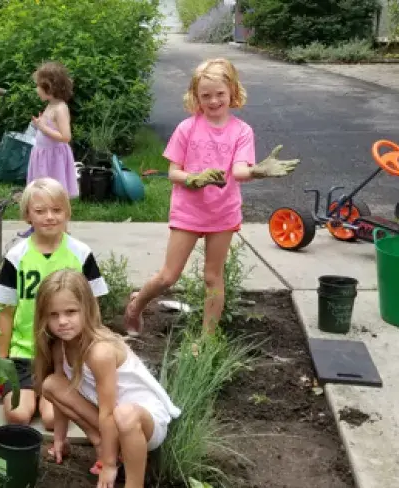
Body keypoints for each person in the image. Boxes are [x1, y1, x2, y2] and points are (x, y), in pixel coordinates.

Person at [123, 58, 298, 337]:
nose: (214, 101)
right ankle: (136, 305)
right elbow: (173, 173)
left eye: (220, 94)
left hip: (222, 213)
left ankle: (207, 341)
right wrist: (193, 178)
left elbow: (239, 172)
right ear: (196, 97)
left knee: (212, 277)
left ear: (232, 91)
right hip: (189, 211)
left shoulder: (242, 131)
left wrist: (258, 171)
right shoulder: (187, 128)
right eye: (206, 95)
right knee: (169, 276)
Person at [34, 269, 180, 488]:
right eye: (53, 315)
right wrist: (60, 439)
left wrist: (108, 464)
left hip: (144, 420)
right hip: (112, 416)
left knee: (123, 414)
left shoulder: (99, 351)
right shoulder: (59, 347)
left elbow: (108, 412)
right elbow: (60, 399)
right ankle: (103, 442)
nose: (62, 321)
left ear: (87, 309)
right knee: (51, 384)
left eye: (71, 312)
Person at [0, 177, 108, 428]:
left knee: (52, 419)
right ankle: (27, 393)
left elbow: (93, 307)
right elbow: (6, 313)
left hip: (65, 354)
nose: (49, 217)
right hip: (24, 353)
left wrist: (92, 351)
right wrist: (1, 362)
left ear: (67, 212)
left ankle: (48, 396)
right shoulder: (16, 256)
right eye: (40, 211)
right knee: (18, 416)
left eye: (57, 210)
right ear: (27, 216)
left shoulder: (80, 253)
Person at [19, 61, 78, 238]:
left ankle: (61, 232)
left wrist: (43, 128)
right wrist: (39, 125)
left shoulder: (60, 108)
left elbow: (65, 136)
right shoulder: (50, 105)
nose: (36, 89)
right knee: (39, 192)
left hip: (53, 159)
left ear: (49, 86)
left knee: (53, 194)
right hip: (42, 156)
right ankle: (38, 227)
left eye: (38, 85)